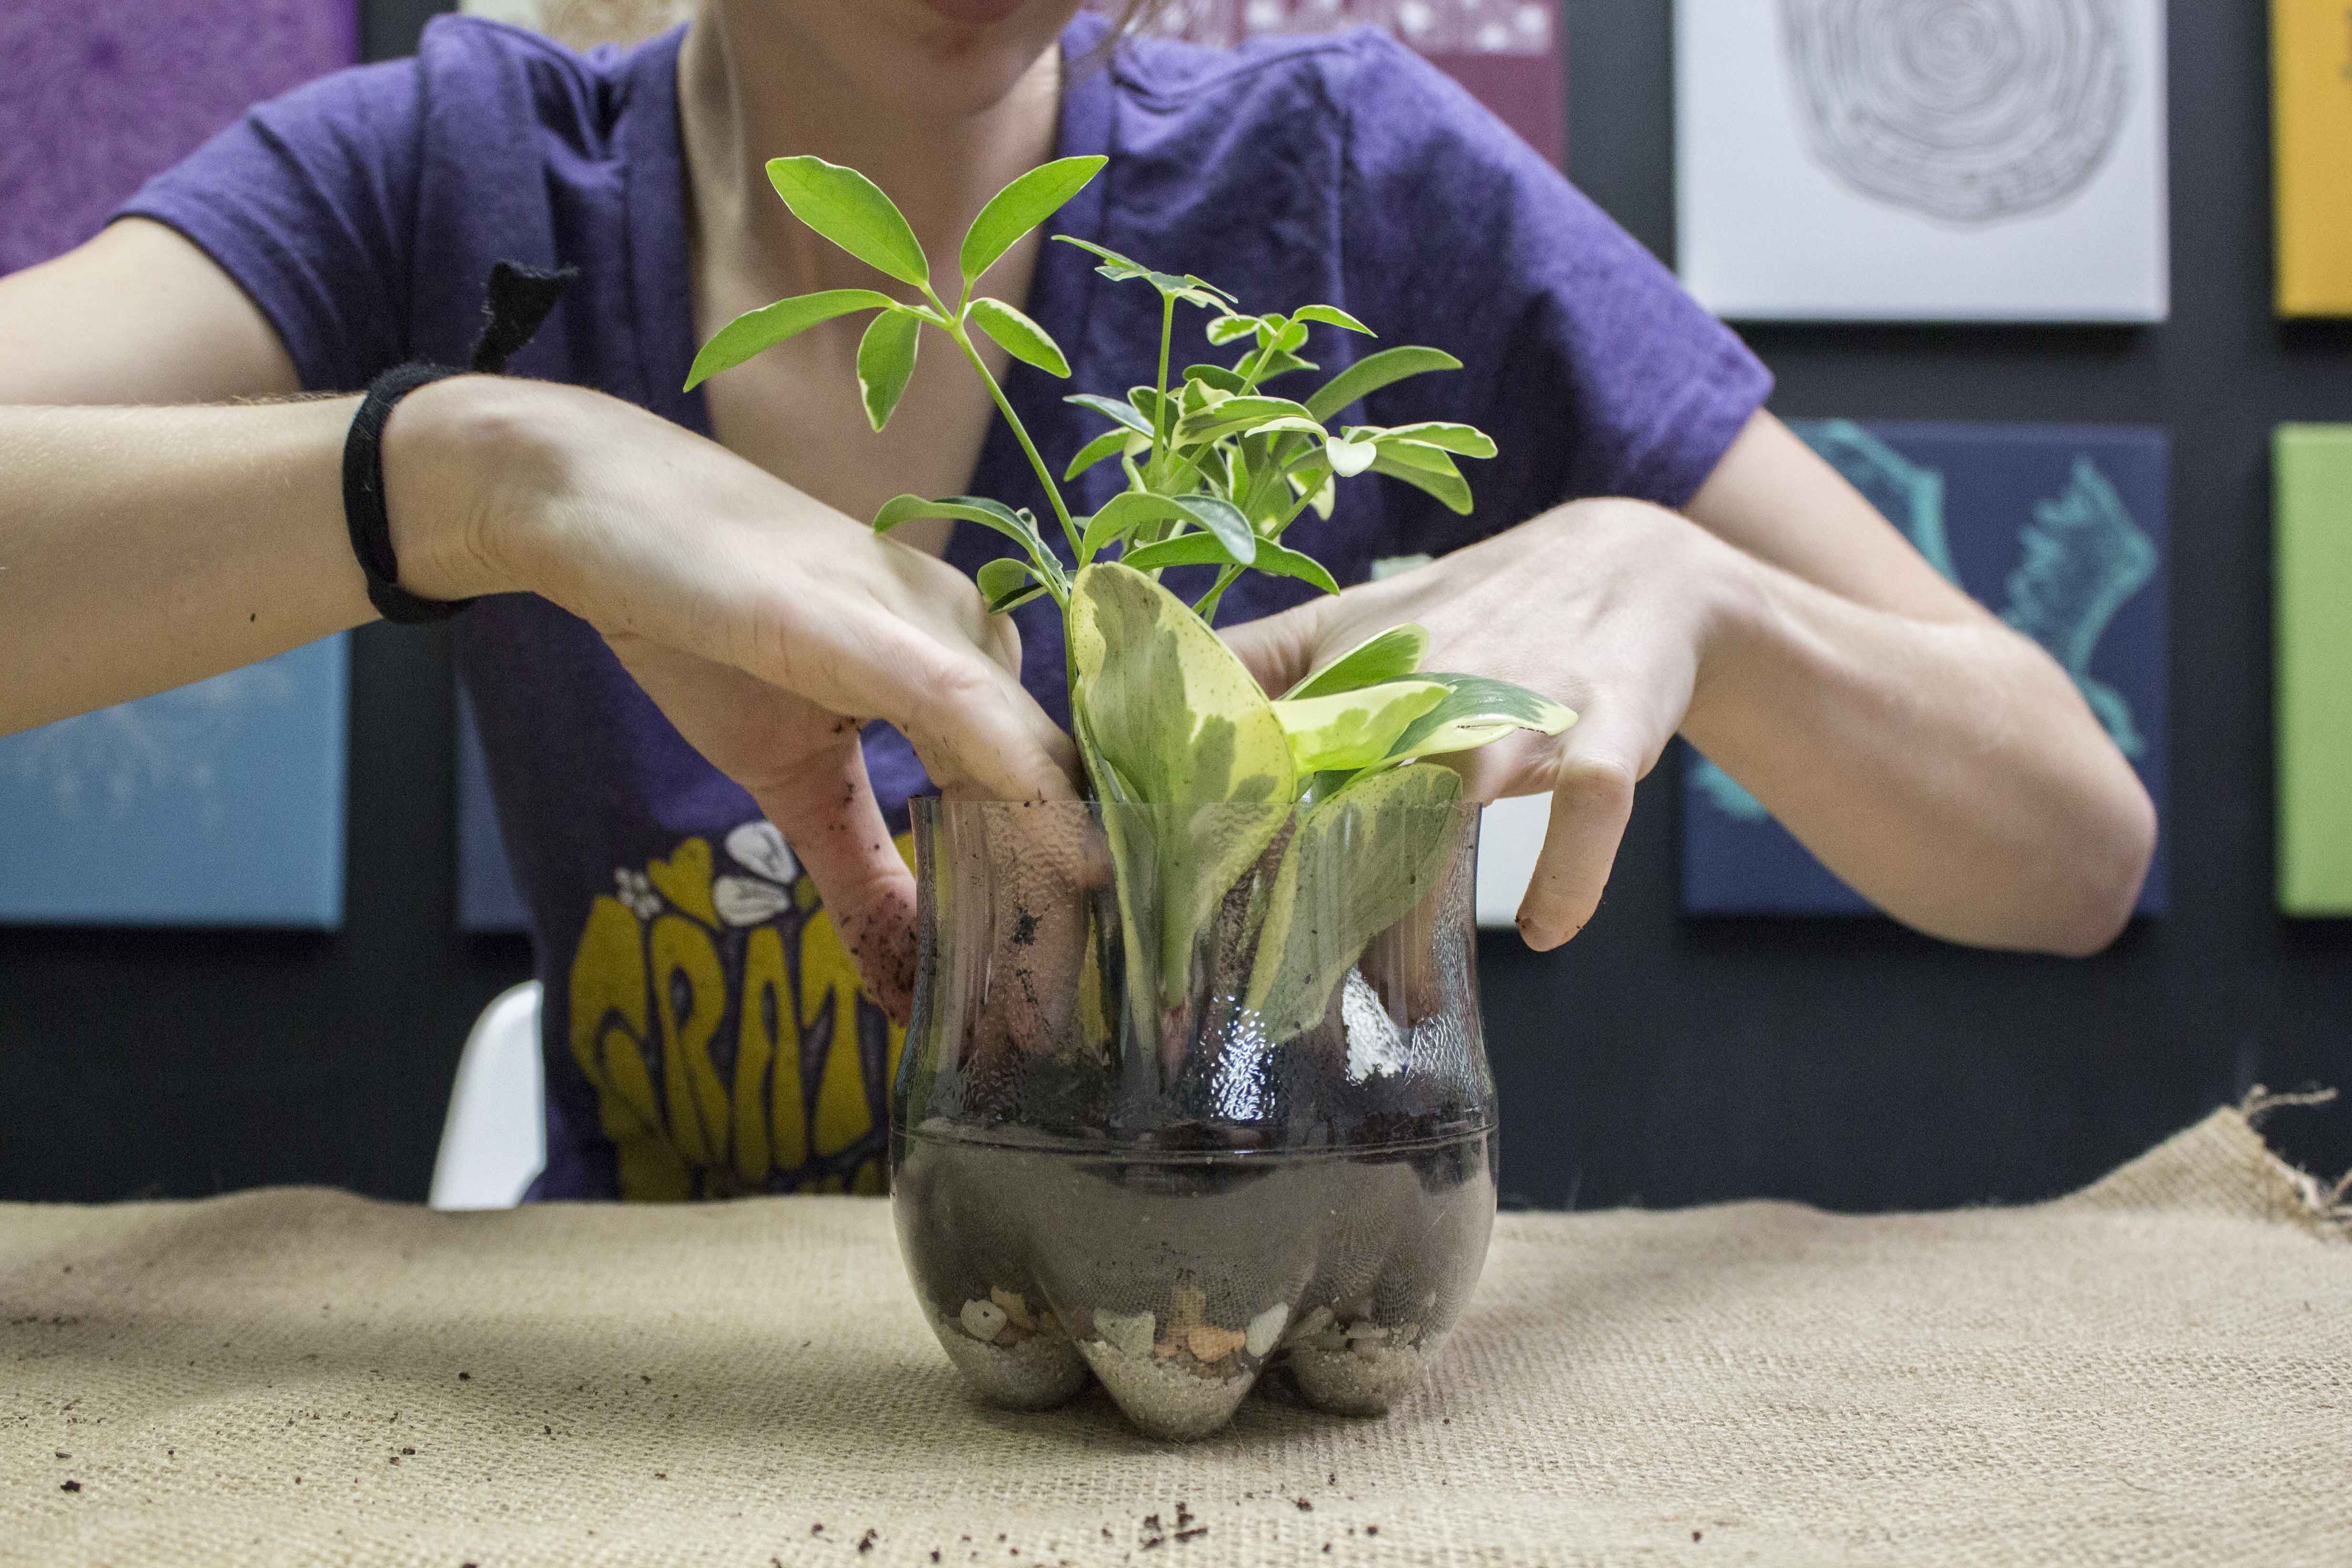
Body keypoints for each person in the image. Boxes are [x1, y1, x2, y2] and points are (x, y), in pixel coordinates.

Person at [0, 0, 2155, 1201]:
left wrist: (1701, 594)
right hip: (631, 1412)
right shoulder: (458, 174)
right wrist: (481, 468)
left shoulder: (1342, 175)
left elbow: (2075, 846)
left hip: (1254, 1355)